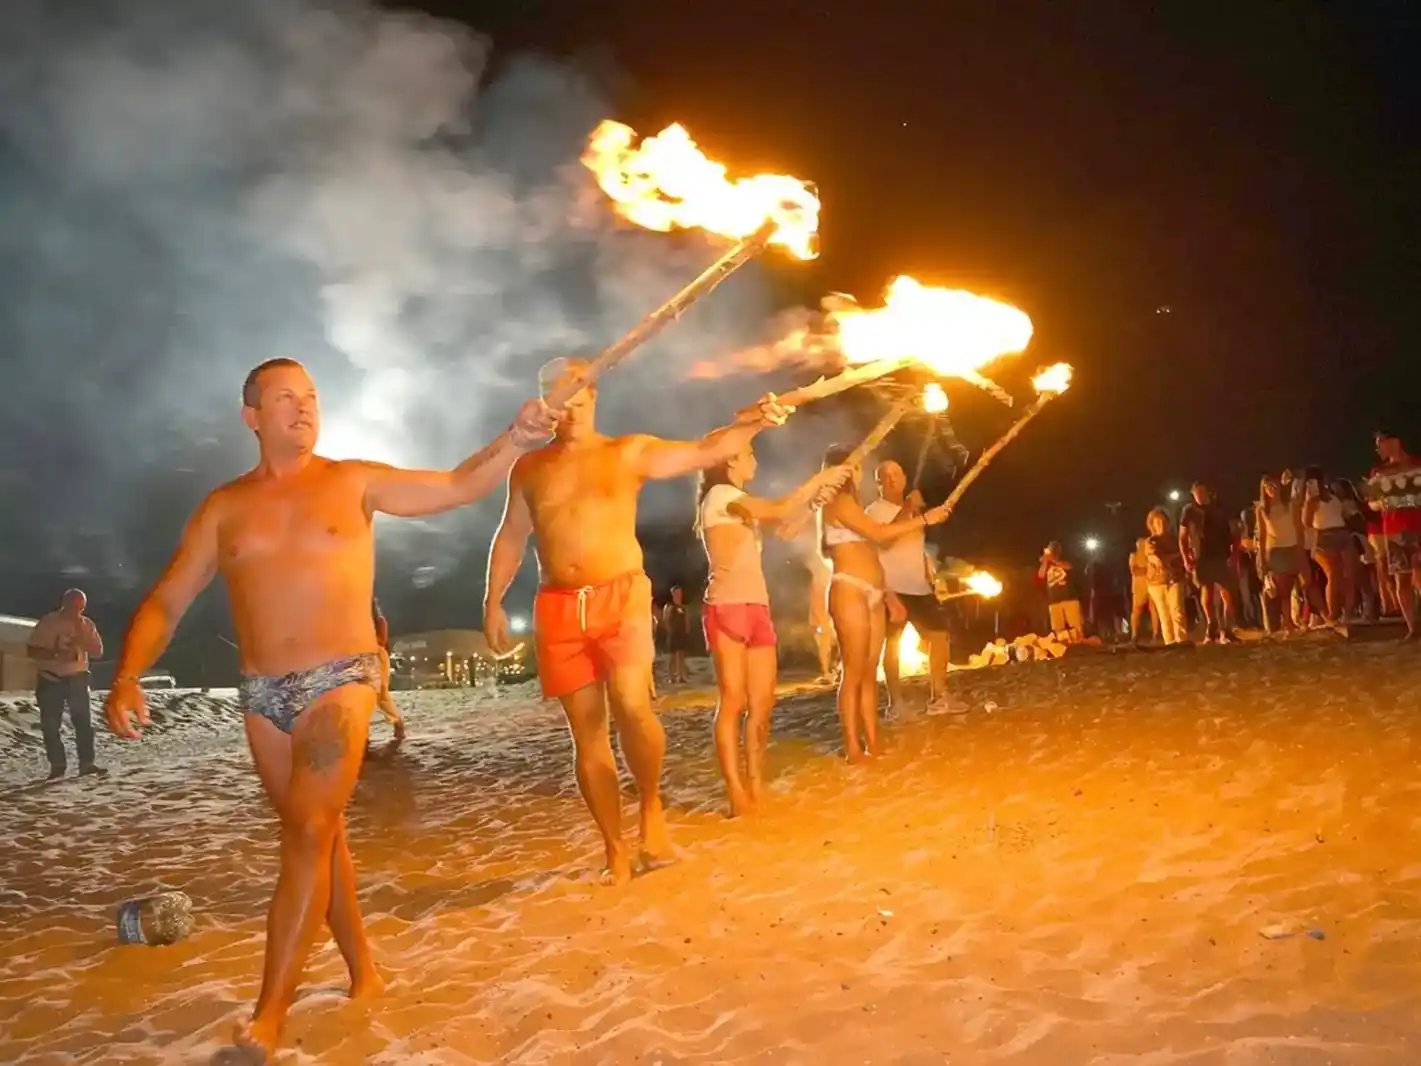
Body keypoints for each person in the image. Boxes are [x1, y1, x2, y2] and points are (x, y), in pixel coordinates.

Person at [103, 357, 557, 1063]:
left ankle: (268, 1015)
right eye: (285, 397)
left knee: (310, 830)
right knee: (322, 837)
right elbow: (168, 599)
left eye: (311, 396)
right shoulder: (223, 507)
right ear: (251, 416)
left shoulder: (353, 481)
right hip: (262, 694)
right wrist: (129, 674)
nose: (303, 407)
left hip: (340, 677)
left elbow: (455, 485)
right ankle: (363, 972)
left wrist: (516, 439)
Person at [483, 357, 793, 884]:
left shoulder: (627, 452)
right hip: (559, 605)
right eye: (557, 395)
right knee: (587, 735)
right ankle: (615, 847)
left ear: (594, 394)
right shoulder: (529, 469)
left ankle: (650, 807)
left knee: (631, 704)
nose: (569, 404)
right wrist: (492, 600)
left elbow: (703, 451)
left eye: (578, 392)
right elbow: (512, 535)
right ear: (544, 402)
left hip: (621, 594)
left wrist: (755, 423)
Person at [695, 442, 847, 815]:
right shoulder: (721, 496)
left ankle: (755, 783)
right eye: (749, 454)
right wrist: (818, 480)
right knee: (734, 701)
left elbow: (786, 526)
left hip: (757, 607)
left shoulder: (739, 502)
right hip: (727, 606)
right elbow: (778, 509)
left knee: (762, 703)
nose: (755, 460)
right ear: (730, 460)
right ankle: (736, 792)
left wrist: (816, 501)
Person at [817, 445, 950, 762]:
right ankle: (853, 747)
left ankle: (873, 742)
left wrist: (888, 594)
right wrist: (924, 518)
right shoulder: (837, 501)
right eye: (855, 466)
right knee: (853, 672)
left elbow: (873, 549)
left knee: (869, 672)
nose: (859, 472)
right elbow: (879, 534)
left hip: (875, 591)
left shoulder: (853, 505)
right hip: (850, 589)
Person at [865, 460, 955, 713]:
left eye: (896, 474)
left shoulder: (914, 512)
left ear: (904, 478)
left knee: (939, 635)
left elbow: (916, 547)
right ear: (878, 483)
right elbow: (884, 541)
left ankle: (939, 696)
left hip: (919, 586)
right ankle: (897, 704)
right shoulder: (873, 511)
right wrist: (909, 507)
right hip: (891, 587)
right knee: (892, 644)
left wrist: (930, 576)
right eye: (885, 476)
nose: (892, 479)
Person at [27, 588, 105, 779]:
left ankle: (87, 763)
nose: (76, 611)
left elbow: (98, 652)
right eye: (73, 606)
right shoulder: (49, 622)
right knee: (51, 725)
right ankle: (58, 765)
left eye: (80, 607)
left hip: (77, 678)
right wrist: (56, 654)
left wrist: (85, 641)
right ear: (64, 603)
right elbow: (32, 650)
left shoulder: (86, 624)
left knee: (84, 723)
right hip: (51, 678)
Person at [1365, 430, 1421, 639]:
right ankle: (1412, 628)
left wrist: (1404, 501)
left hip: (1417, 527)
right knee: (1401, 579)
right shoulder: (1379, 472)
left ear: (1394, 441)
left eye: (1380, 443)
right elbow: (1371, 504)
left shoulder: (1416, 465)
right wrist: (1382, 503)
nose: (1377, 449)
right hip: (1394, 530)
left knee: (1418, 575)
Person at [1180, 482, 1239, 643]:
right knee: (1207, 590)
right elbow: (1183, 537)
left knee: (1228, 592)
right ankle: (1211, 627)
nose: (1199, 495)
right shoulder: (1189, 511)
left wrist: (1234, 554)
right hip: (1201, 557)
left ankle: (1226, 630)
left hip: (1221, 554)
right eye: (1196, 493)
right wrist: (1186, 558)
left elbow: (1235, 531)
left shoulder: (1220, 508)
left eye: (1201, 492)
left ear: (1207, 492)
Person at [1301, 466, 1360, 624]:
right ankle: (1333, 613)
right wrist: (1309, 501)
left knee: (1349, 574)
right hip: (1324, 535)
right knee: (1334, 574)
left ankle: (1348, 612)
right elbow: (1306, 521)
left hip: (1342, 533)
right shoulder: (1311, 499)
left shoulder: (1333, 494)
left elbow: (1342, 513)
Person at [1255, 474, 1306, 636]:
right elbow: (1262, 535)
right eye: (1267, 487)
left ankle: (1294, 620)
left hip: (1292, 547)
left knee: (1298, 584)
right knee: (1283, 589)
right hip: (1276, 550)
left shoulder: (1291, 505)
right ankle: (1287, 623)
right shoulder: (1262, 510)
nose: (1271, 489)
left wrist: (1300, 549)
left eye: (1274, 485)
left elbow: (1299, 528)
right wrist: (1262, 557)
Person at [1143, 509, 1188, 645]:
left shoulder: (1175, 540)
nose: (1161, 525)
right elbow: (1159, 561)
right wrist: (1178, 555)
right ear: (1152, 525)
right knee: (1164, 614)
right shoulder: (1150, 542)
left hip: (1175, 578)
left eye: (1163, 522)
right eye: (1157, 522)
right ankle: (1170, 642)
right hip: (1157, 582)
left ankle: (1181, 641)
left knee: (1177, 611)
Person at [370, 599, 405, 741]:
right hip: (366, 656)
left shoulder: (379, 621)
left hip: (377, 656)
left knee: (381, 694)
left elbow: (382, 640)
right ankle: (362, 733)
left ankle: (398, 723)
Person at [1037, 542, 1084, 640]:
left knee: (1075, 626)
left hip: (1069, 598)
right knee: (1057, 627)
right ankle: (1062, 643)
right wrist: (1045, 561)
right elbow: (1040, 575)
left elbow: (1068, 566)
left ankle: (1079, 642)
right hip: (1054, 600)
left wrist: (1052, 560)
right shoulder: (1046, 563)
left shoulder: (1065, 558)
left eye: (1052, 549)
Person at [1128, 536, 1161, 646]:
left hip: (1152, 585)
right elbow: (1134, 571)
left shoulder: (1150, 556)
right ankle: (1135, 635)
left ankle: (1156, 634)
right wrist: (1147, 569)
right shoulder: (1134, 556)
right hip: (1139, 588)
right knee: (1137, 612)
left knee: (1154, 610)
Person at [662, 586, 691, 684]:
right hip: (673, 633)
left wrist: (687, 630)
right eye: (677, 593)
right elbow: (665, 619)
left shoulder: (684, 607)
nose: (679, 595)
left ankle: (681, 676)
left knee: (681, 655)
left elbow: (687, 620)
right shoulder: (669, 606)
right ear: (673, 594)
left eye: (680, 593)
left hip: (682, 633)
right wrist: (669, 630)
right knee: (672, 656)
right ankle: (671, 676)